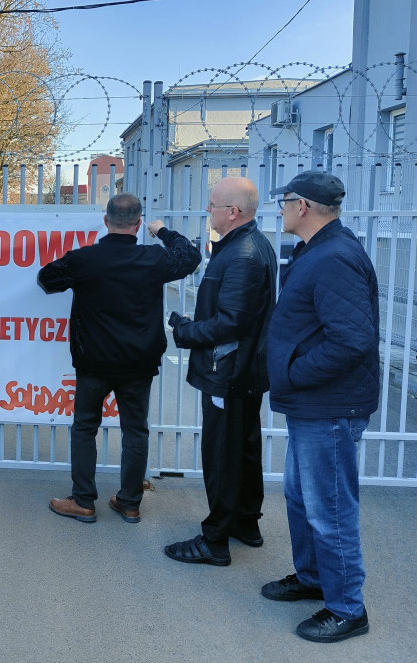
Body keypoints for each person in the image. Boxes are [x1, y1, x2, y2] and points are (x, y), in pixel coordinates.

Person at [261, 171, 379, 643]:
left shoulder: (334, 257)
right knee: (301, 497)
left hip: (329, 406)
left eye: (285, 201)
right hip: (314, 404)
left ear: (303, 206)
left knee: (329, 508)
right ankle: (313, 578)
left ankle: (347, 608)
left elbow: (352, 340)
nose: (281, 209)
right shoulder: (316, 251)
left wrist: (292, 373)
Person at [37, 193, 201, 523]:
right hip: (138, 362)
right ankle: (129, 503)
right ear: (139, 224)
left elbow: (46, 279)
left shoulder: (85, 259)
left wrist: (75, 271)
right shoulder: (153, 258)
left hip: (93, 362)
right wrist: (163, 231)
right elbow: (190, 256)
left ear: (106, 221)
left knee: (85, 427)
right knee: (136, 431)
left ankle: (83, 501)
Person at [163, 177, 277, 567]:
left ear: (234, 212)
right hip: (240, 371)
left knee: (223, 455)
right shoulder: (247, 245)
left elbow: (231, 323)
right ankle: (245, 523)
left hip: (228, 372)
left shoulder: (243, 254)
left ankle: (215, 541)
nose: (207, 210)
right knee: (242, 449)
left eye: (212, 205)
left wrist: (185, 332)